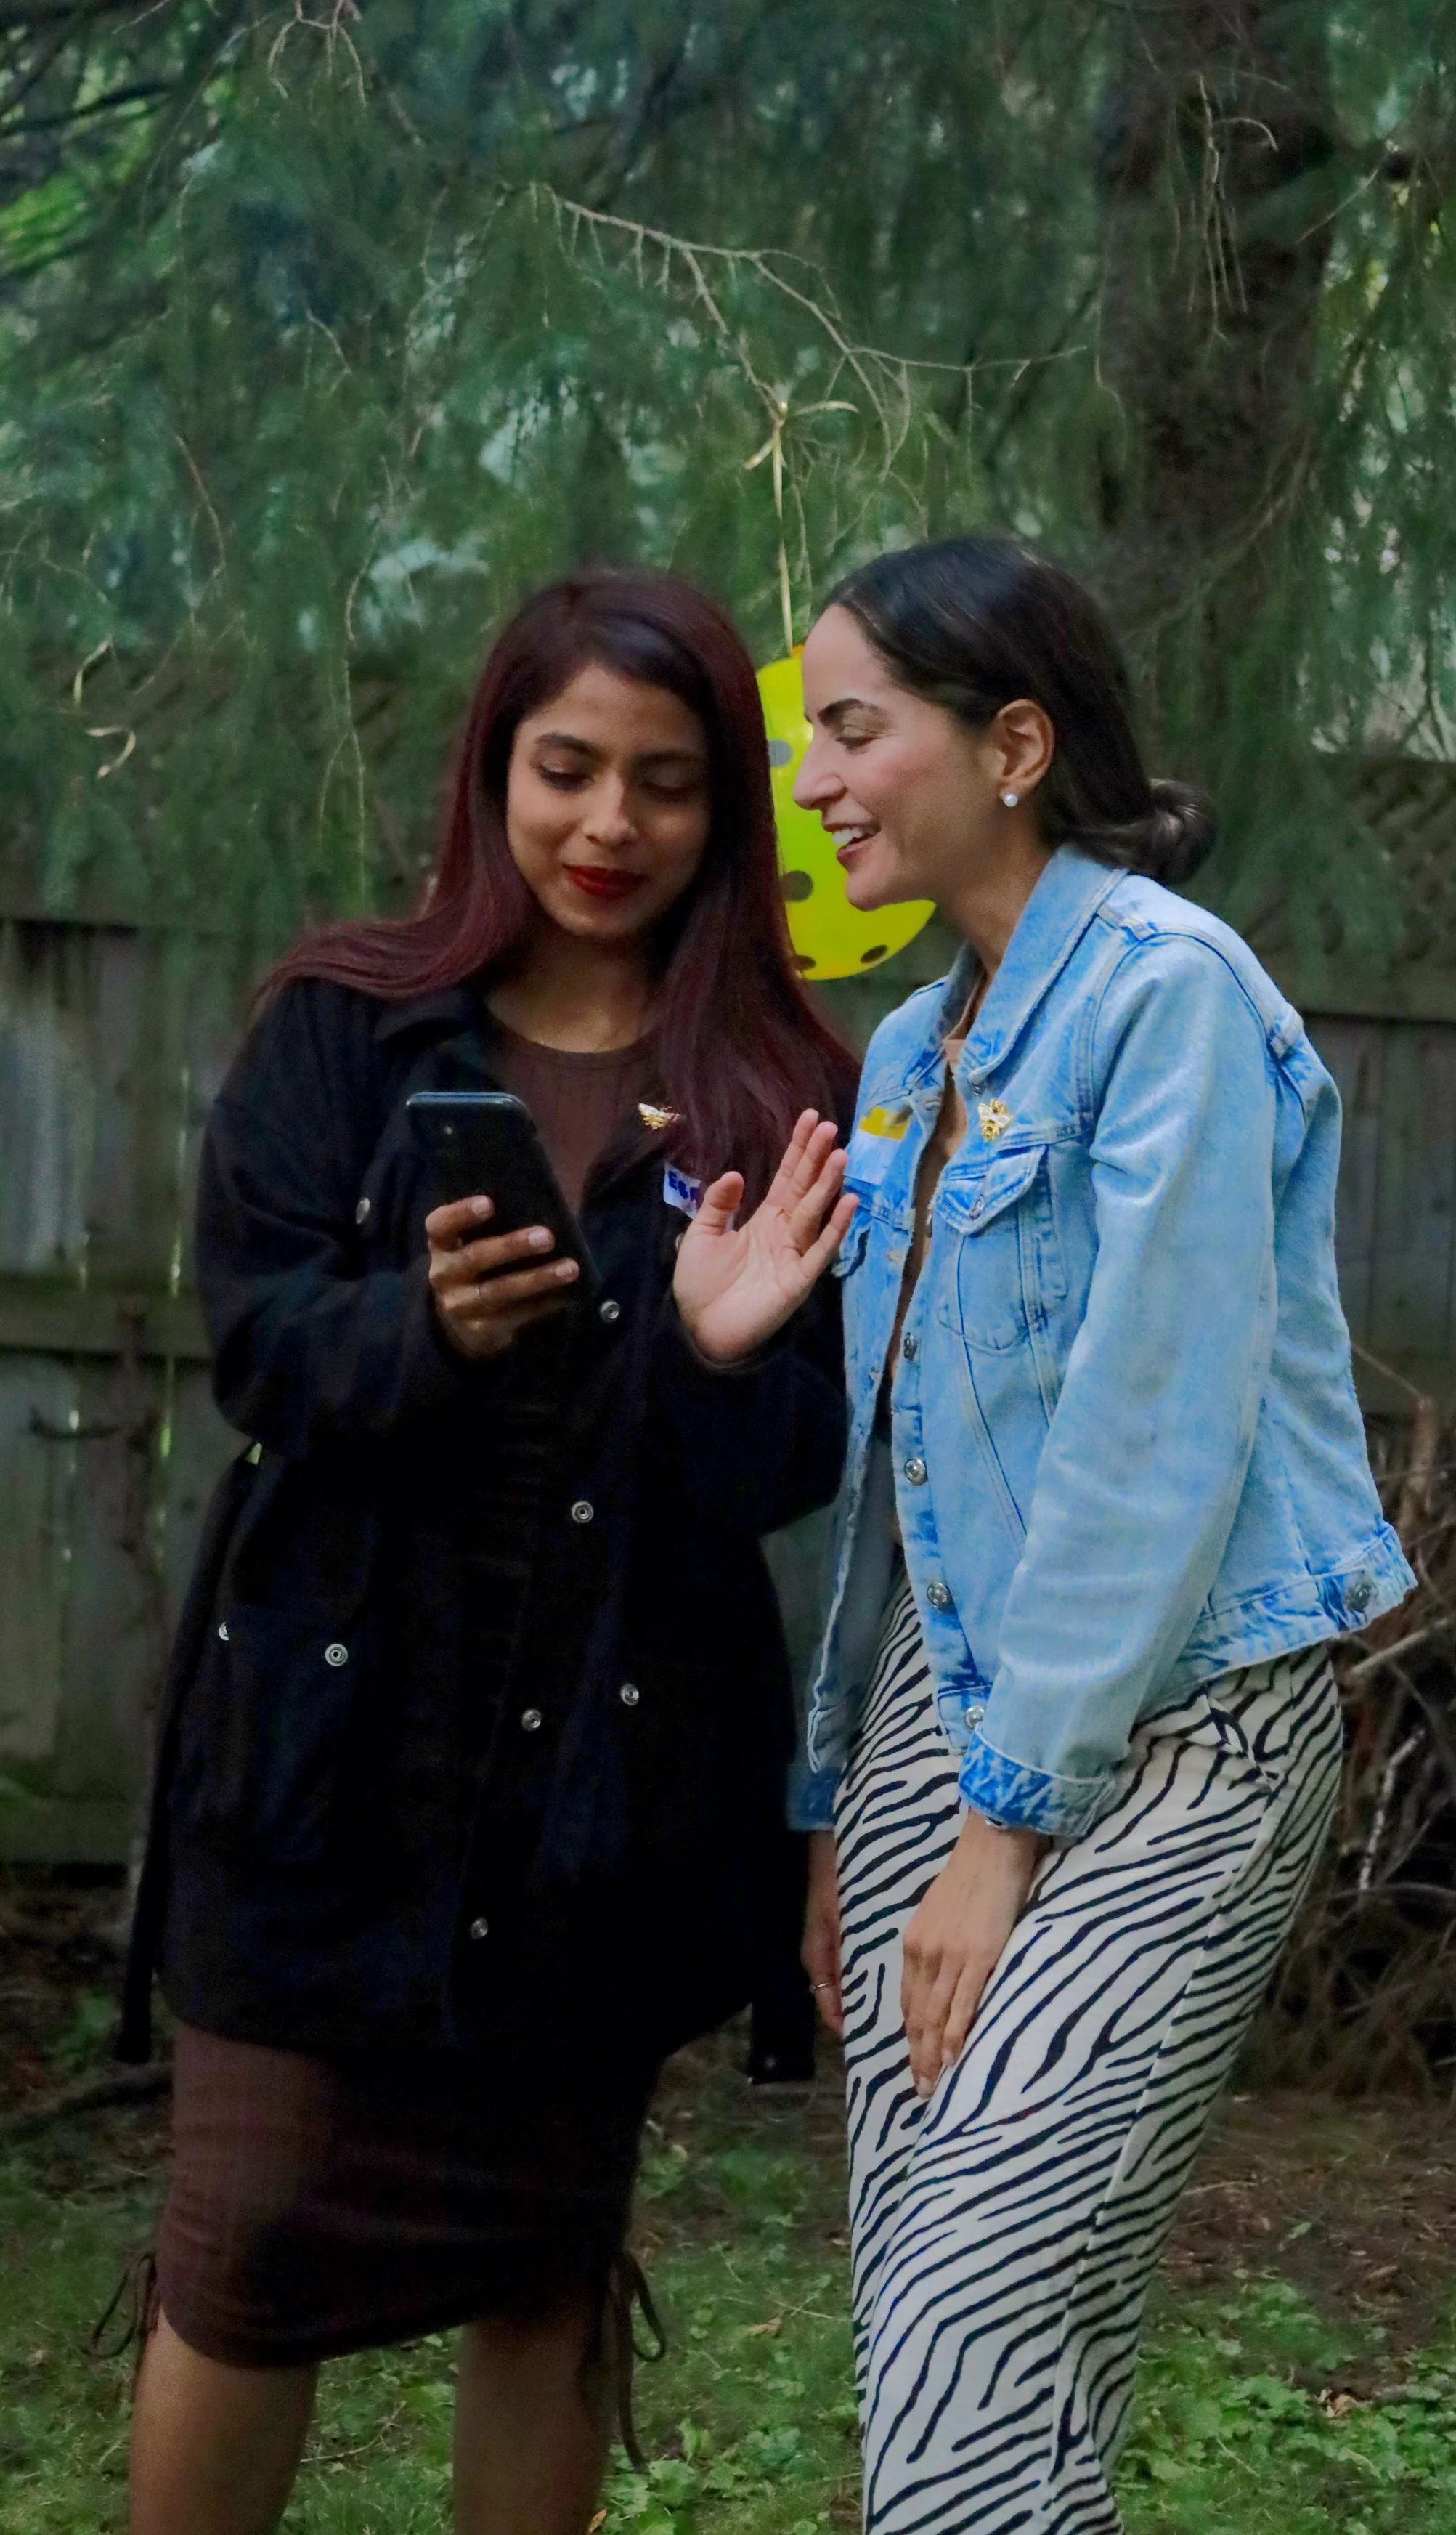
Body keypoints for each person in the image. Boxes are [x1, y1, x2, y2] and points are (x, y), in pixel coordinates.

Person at [119, 567, 857, 2535]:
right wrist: (422, 1330)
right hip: (324, 1755)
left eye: (667, 782)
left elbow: (799, 1460)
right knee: (245, 2245)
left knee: (541, 2265)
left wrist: (717, 1354)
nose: (610, 824)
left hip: (600, 1781)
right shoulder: (348, 1024)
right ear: (493, 771)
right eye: (567, 768)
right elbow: (257, 1340)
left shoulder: (781, 1089)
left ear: (727, 809)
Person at [779, 535, 1415, 2532]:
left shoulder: (1167, 996)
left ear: (1016, 744)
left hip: (1184, 1717)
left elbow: (1152, 1428)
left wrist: (1001, 1826)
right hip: (938, 1711)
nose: (812, 779)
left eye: (853, 728)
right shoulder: (911, 1054)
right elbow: (906, 1470)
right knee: (949, 2330)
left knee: (977, 2285)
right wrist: (845, 1801)